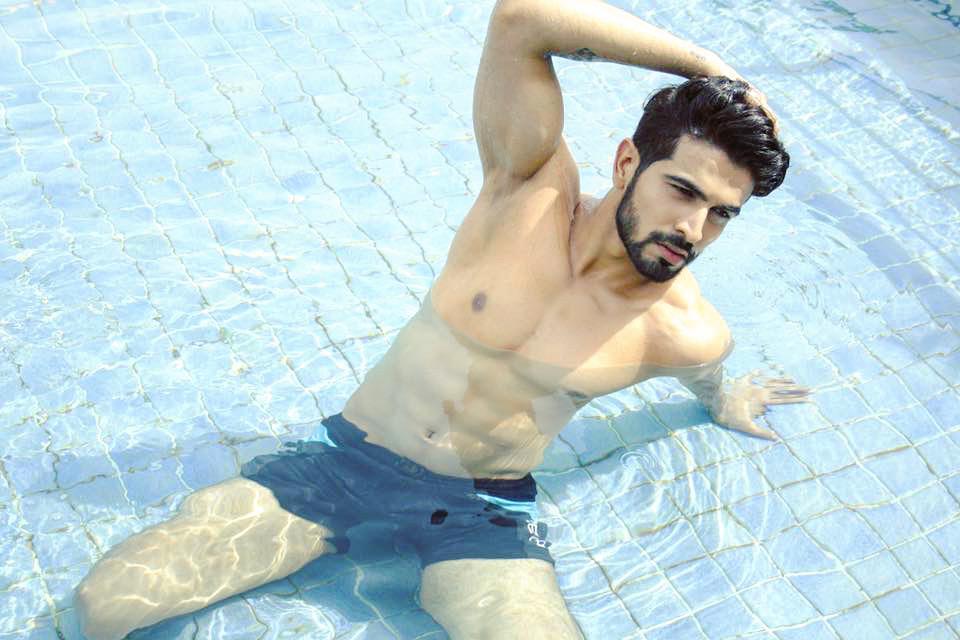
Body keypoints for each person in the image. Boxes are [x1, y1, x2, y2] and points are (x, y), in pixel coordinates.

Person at [74, 1, 808, 638]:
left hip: (478, 510)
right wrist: (717, 71)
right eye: (683, 190)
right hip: (345, 462)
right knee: (105, 607)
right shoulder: (526, 191)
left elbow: (706, 374)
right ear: (625, 164)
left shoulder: (682, 330)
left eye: (722, 214)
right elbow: (522, 18)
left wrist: (724, 401)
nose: (693, 229)